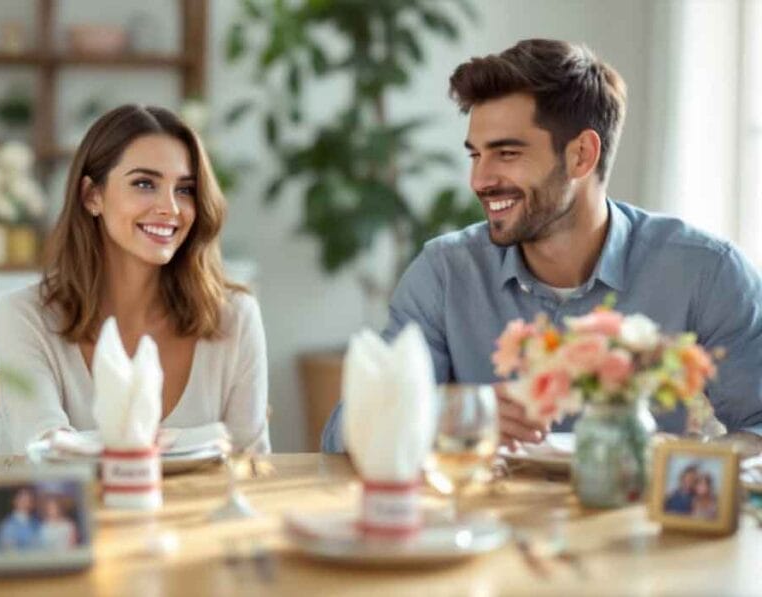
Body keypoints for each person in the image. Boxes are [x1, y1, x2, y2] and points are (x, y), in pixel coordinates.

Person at [322, 38, 762, 454]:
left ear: (581, 156)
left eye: (506, 154)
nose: (479, 180)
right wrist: (445, 416)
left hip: (639, 528)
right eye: (475, 155)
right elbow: (344, 432)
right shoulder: (445, 271)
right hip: (486, 530)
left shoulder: (705, 273)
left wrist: (685, 460)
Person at [0, 104, 270, 454]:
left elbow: (252, 467)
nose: (170, 208)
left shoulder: (235, 317)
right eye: (145, 183)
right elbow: (45, 453)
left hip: (196, 511)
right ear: (91, 196)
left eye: (184, 189)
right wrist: (197, 441)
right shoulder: (25, 315)